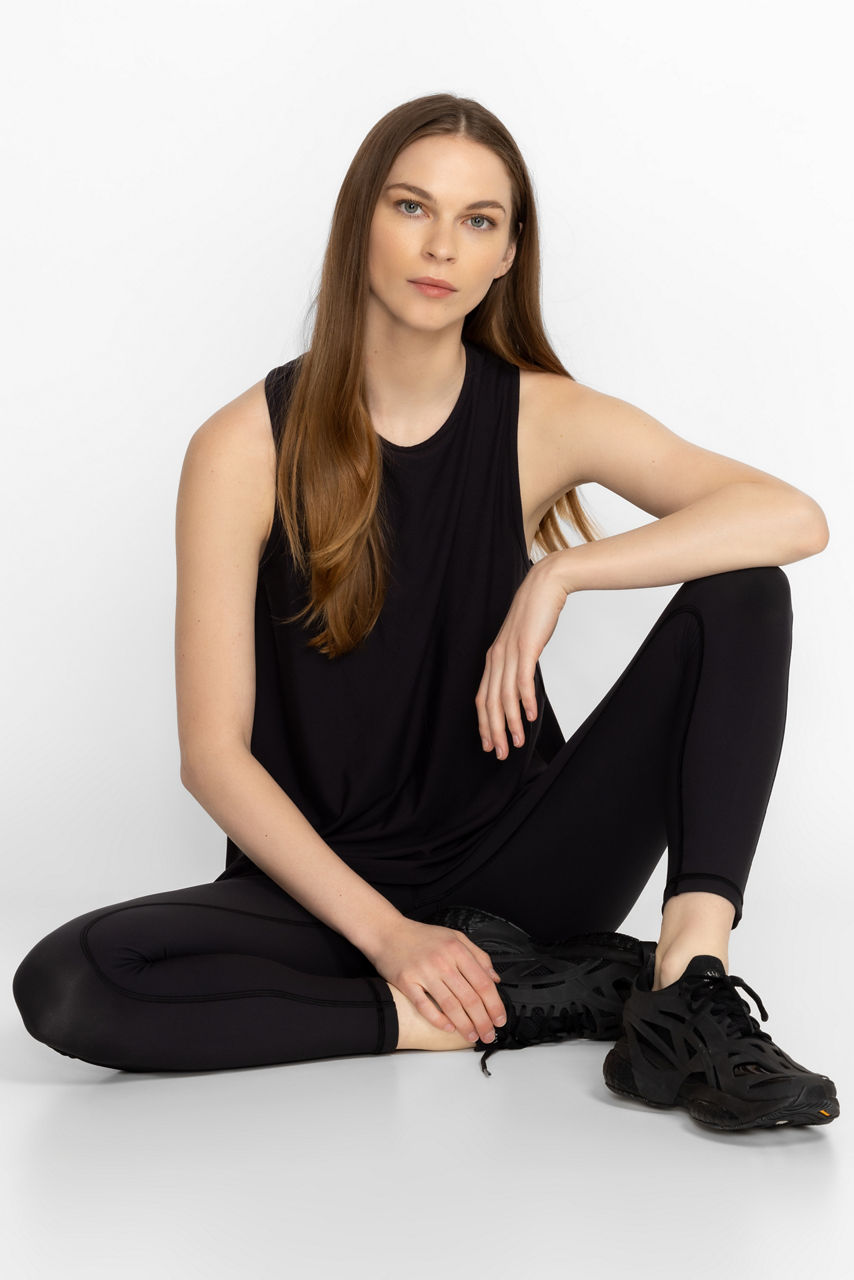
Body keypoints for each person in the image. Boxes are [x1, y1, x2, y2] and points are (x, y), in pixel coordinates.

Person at [12, 92, 839, 1132]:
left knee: (744, 588)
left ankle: (685, 986)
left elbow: (790, 517)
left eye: (478, 219)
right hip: (322, 892)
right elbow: (212, 757)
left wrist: (559, 574)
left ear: (507, 254)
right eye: (412, 206)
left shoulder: (538, 416)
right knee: (74, 980)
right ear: (359, 218)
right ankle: (488, 1009)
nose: (442, 244)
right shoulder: (242, 447)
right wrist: (392, 941)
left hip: (523, 875)